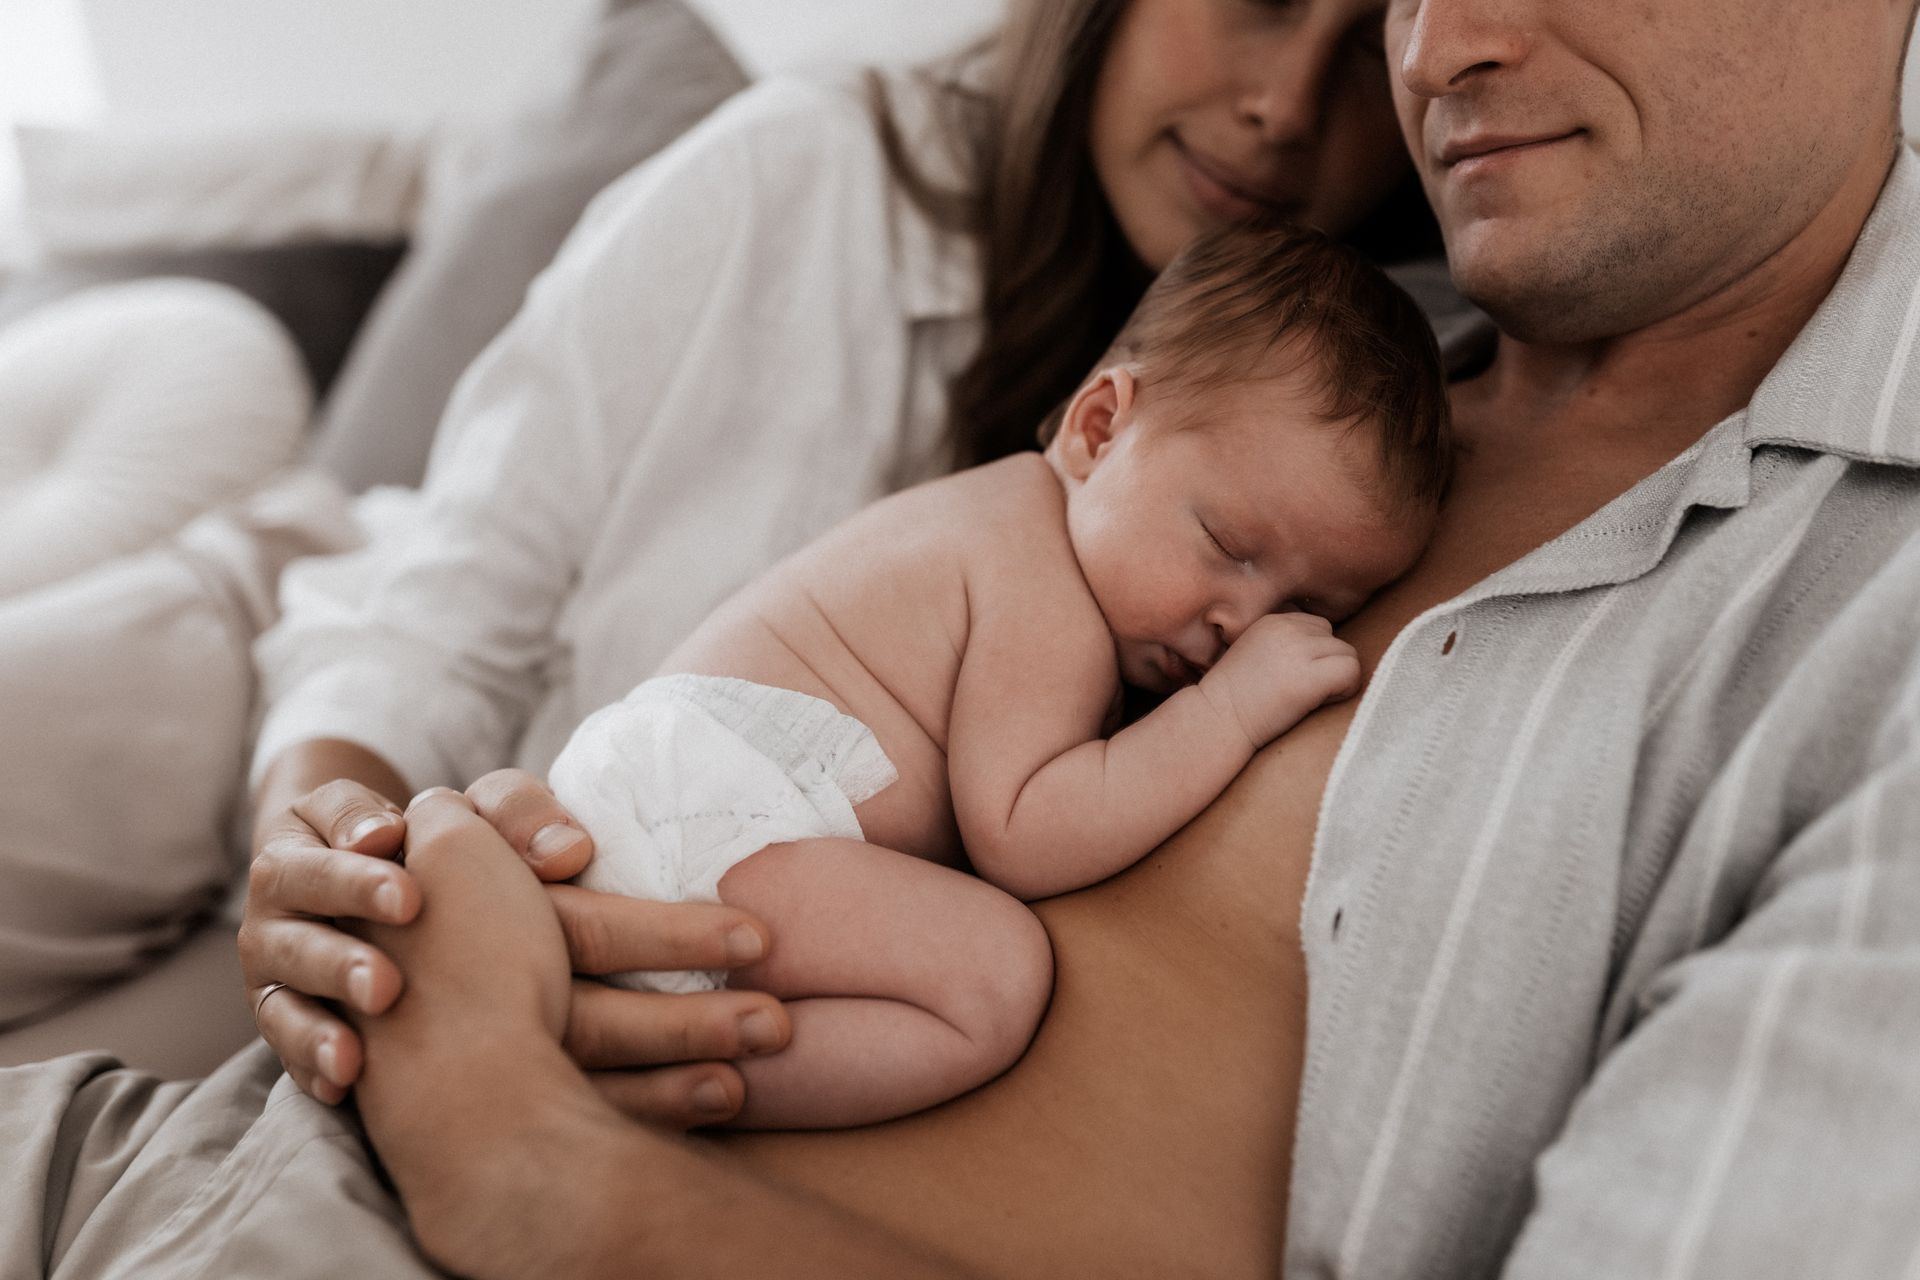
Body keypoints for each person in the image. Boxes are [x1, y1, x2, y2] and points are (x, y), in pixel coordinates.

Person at [325, 0, 1920, 1275]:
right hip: (308, 1148)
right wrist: (379, 880)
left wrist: (528, 1161)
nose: (1434, 49)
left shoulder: (1866, 629)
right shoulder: (1327, 378)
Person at [242, 0, 1426, 1120]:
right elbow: (429, 619)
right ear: (1099, 424)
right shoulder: (800, 185)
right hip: (337, 723)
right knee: (993, 976)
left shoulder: (1365, 426)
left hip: (544, 866)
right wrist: (331, 852)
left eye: (1371, 44)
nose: (1287, 104)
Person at [545, 225, 1447, 1128]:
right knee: (991, 978)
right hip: (706, 824)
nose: (1243, 626)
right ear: (1100, 427)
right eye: (1228, 545)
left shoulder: (1001, 515)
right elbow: (1026, 832)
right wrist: (1229, 712)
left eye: (1307, 607)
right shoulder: (1039, 580)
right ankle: (654, 1101)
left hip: (660, 798)